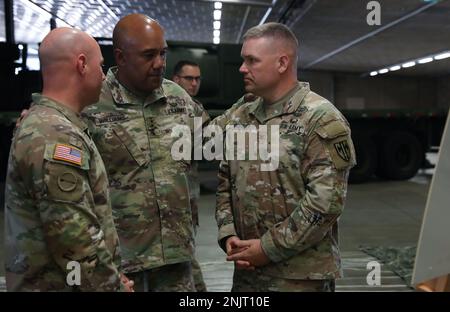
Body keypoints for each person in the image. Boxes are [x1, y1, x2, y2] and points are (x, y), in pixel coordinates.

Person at [215, 22, 356, 292]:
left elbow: (325, 204)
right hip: (247, 273)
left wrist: (267, 248)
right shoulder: (242, 115)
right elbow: (225, 180)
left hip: (300, 277)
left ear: (282, 63)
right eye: (243, 60)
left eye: (251, 60)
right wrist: (228, 233)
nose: (242, 68)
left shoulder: (320, 118)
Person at [82, 14, 209, 291]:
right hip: (123, 261)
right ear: (121, 56)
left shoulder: (177, 97)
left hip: (175, 256)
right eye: (149, 55)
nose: (160, 64)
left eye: (163, 53)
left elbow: (213, 137)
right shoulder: (92, 102)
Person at [4, 28, 132, 291]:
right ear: (82, 64)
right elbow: (75, 241)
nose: (104, 76)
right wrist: (113, 287)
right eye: (101, 66)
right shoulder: (55, 135)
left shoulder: (51, 124)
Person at [172, 60, 207, 292]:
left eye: (197, 79)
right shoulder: (167, 109)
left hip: (188, 197)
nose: (194, 83)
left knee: (187, 251)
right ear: (176, 80)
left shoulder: (196, 110)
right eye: (189, 78)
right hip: (167, 200)